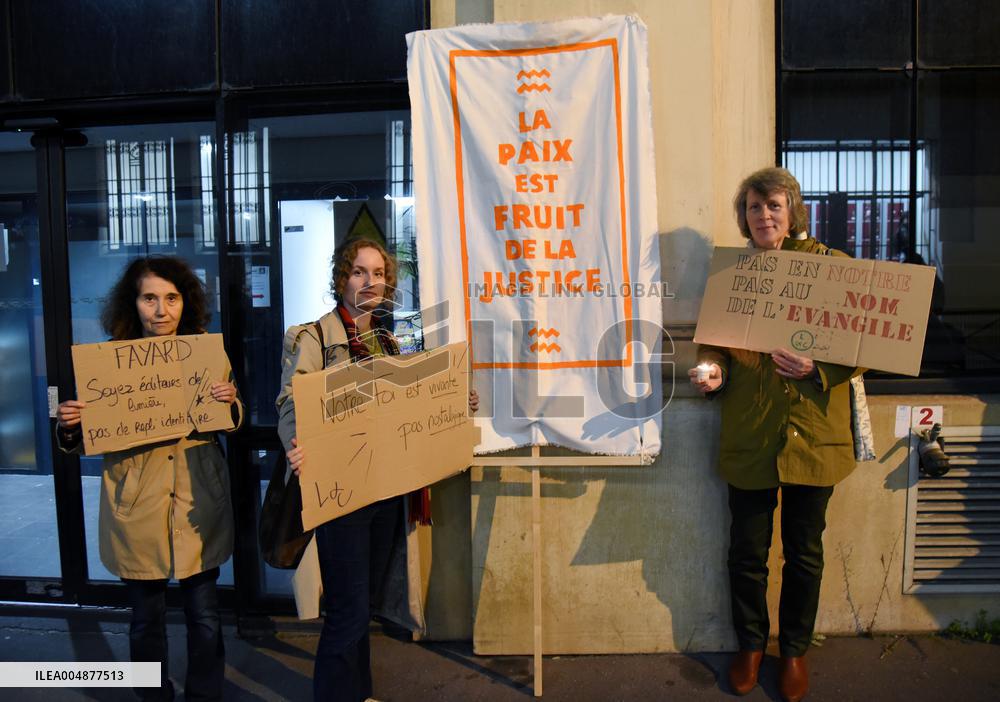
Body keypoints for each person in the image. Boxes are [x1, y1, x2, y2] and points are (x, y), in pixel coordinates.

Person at [276, 237, 477, 702]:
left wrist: (456, 402)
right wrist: (294, 443)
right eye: (359, 272)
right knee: (346, 609)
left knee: (363, 604)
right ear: (342, 279)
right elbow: (290, 401)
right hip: (341, 493)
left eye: (379, 274)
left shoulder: (391, 338)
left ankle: (358, 691)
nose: (371, 282)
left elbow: (409, 403)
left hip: (384, 489)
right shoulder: (313, 336)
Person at [689, 167, 861, 702]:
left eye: (773, 206)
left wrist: (817, 369)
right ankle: (750, 647)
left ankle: (795, 654)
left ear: (793, 212)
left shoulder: (835, 270)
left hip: (813, 434)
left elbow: (866, 350)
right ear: (744, 217)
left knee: (804, 552)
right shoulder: (730, 277)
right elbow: (712, 345)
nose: (763, 215)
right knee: (747, 550)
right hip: (752, 433)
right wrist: (710, 369)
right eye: (754, 207)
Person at [56, 256, 241, 701]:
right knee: (145, 619)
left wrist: (229, 400)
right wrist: (70, 426)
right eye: (150, 298)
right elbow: (90, 437)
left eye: (171, 298)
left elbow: (231, 420)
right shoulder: (109, 364)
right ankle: (152, 694)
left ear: (185, 302)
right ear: (133, 303)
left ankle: (204, 695)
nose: (161, 310)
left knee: (205, 617)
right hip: (137, 504)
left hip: (198, 500)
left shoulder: (206, 352)